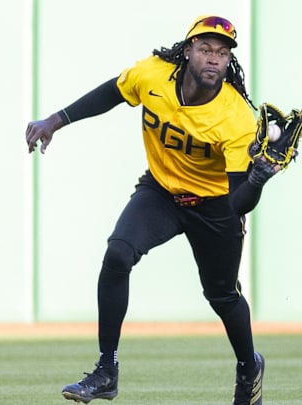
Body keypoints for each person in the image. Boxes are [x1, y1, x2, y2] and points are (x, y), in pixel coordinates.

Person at [25, 15, 280, 405]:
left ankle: (249, 367)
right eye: (206, 48)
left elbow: (237, 202)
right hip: (161, 191)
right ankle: (106, 371)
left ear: (229, 62)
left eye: (223, 53)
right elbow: (113, 91)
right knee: (117, 254)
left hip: (215, 205)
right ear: (188, 50)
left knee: (222, 295)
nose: (214, 58)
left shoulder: (236, 117)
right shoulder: (154, 74)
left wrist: (257, 180)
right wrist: (55, 121)